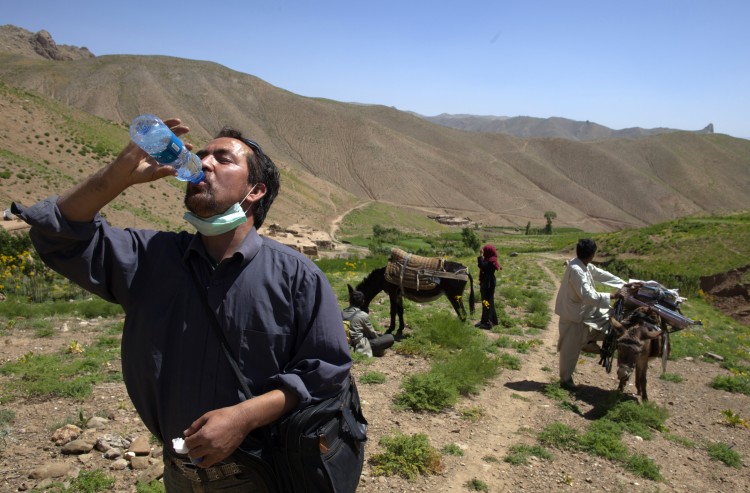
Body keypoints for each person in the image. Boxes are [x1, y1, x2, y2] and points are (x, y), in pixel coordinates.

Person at [11, 118, 352, 491]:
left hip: (265, 472)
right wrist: (116, 176)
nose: (203, 163)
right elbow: (56, 235)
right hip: (180, 474)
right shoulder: (150, 258)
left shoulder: (297, 276)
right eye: (201, 154)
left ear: (255, 191)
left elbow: (326, 371)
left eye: (222, 159)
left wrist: (243, 417)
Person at [554, 238, 625, 391]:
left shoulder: (584, 265)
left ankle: (587, 342)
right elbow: (588, 296)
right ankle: (565, 380)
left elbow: (602, 275)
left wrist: (624, 284)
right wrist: (612, 296)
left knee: (609, 319)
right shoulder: (576, 270)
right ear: (592, 254)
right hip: (573, 314)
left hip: (584, 311)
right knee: (570, 349)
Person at [343, 286, 395, 357]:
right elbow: (372, 334)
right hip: (358, 346)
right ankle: (375, 351)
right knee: (390, 337)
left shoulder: (341, 313)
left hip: (343, 344)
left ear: (350, 301)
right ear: (362, 302)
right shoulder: (362, 315)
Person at [475, 244, 501, 329]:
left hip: (488, 283)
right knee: (486, 302)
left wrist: (481, 256)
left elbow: (482, 265)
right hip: (486, 282)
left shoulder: (492, 260)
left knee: (487, 302)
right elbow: (481, 265)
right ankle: (485, 320)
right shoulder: (489, 259)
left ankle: (488, 323)